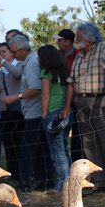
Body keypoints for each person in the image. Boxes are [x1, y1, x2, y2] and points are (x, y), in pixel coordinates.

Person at [61, 22, 105, 195]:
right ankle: (98, 182)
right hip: (82, 102)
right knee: (89, 144)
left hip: (101, 100)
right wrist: (67, 107)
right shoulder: (79, 57)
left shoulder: (103, 48)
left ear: (89, 37)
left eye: (78, 36)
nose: (76, 39)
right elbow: (71, 82)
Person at [3, 35, 51, 190]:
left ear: (23, 50)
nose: (13, 55)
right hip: (33, 112)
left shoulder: (31, 63)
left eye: (14, 52)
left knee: (28, 148)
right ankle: (43, 181)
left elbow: (35, 88)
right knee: (40, 148)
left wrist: (15, 97)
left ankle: (28, 183)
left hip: (35, 113)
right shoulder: (30, 61)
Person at [38, 45, 70, 193]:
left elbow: (46, 94)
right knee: (63, 148)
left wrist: (44, 113)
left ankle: (63, 182)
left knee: (57, 151)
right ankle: (69, 179)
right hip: (64, 111)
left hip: (52, 112)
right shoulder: (63, 71)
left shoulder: (46, 72)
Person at [0, 42, 24, 184]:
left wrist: (3, 63)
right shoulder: (0, 70)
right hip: (4, 110)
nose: (1, 54)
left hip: (18, 109)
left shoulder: (18, 65)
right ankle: (13, 172)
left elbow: (17, 74)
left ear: (11, 52)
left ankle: (22, 172)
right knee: (8, 142)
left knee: (19, 140)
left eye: (4, 51)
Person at [54, 28, 82, 162]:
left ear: (68, 42)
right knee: (60, 133)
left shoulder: (79, 55)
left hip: (78, 98)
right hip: (60, 98)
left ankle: (78, 161)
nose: (58, 42)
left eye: (60, 40)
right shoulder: (56, 56)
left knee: (79, 133)